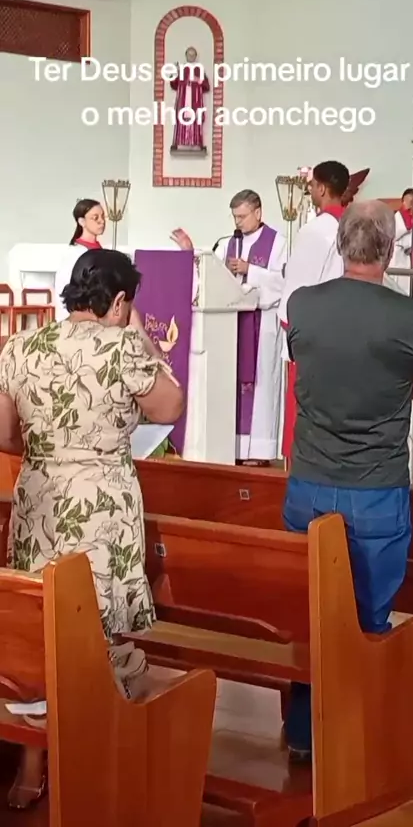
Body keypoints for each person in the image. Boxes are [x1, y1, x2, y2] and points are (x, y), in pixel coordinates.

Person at [0, 248, 184, 807]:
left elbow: (4, 433)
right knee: (99, 631)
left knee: (40, 633)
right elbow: (169, 407)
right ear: (120, 300)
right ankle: (96, 768)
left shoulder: (21, 346)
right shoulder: (122, 346)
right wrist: (141, 336)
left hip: (39, 498)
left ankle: (32, 768)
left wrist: (48, 451)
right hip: (102, 504)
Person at [283, 200, 413, 760]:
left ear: (341, 244)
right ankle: (353, 742)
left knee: (312, 611)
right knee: (369, 617)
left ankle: (304, 734)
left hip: (309, 482)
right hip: (376, 487)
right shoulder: (412, 316)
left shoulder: (303, 304)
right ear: (390, 250)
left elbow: (303, 360)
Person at [171, 189, 286, 465]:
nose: (238, 222)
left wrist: (250, 270)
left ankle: (258, 452)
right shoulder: (226, 244)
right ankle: (230, 447)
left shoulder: (277, 242)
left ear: (258, 212)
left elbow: (283, 282)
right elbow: (210, 275)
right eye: (235, 217)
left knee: (260, 389)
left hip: (261, 325)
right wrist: (189, 251)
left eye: (243, 216)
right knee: (230, 386)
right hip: (230, 326)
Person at [278, 160, 351, 462]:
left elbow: (297, 288)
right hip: (342, 329)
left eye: (311, 186)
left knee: (302, 418)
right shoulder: (352, 226)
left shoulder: (315, 231)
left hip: (310, 335)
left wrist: (287, 326)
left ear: (321, 188)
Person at [54, 199, 106, 320]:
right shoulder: (75, 253)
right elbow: (66, 288)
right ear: (82, 221)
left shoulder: (100, 250)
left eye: (103, 216)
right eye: (95, 218)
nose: (102, 221)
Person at [170, 46, 210, 152]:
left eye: (193, 55)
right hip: (183, 100)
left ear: (195, 56)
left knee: (196, 119)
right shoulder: (181, 69)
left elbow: (207, 86)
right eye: (189, 55)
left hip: (195, 101)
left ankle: (196, 142)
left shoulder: (199, 70)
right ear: (186, 56)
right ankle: (179, 142)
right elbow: (174, 84)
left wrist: (199, 80)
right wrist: (174, 73)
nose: (191, 57)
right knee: (181, 119)